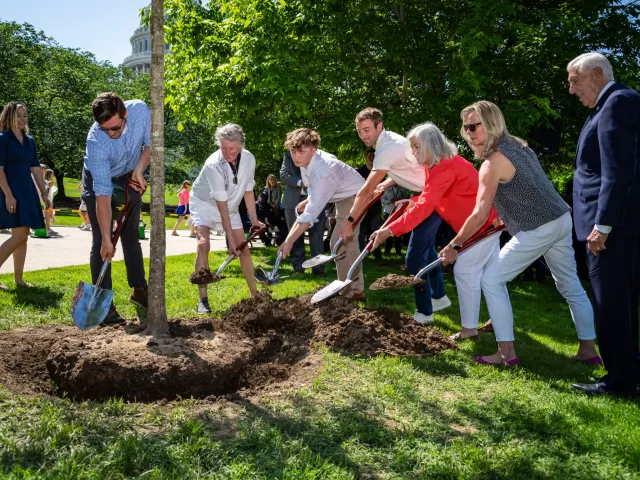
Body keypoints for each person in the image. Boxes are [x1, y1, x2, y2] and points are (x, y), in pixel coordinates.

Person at [439, 100, 599, 365]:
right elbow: (527, 189)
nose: (468, 133)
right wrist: (503, 215)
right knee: (569, 284)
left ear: (490, 124)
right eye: (464, 128)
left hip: (540, 228)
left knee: (491, 279)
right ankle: (588, 351)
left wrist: (454, 245)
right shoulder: (520, 147)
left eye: (473, 127)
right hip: (560, 219)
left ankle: (506, 353)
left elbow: (479, 214)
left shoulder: (492, 163)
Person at [371, 122, 500, 336]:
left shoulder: (445, 168)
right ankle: (493, 320)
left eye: (416, 147)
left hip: (480, 226)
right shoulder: (438, 165)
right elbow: (432, 196)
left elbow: (425, 208)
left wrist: (388, 231)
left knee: (467, 273)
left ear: (430, 145)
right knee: (491, 278)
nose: (412, 152)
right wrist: (413, 200)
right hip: (478, 225)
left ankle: (469, 330)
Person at [567, 53, 640, 396]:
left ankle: (619, 381)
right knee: (620, 304)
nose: (571, 90)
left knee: (611, 304)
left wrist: (604, 225)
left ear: (596, 74)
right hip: (616, 226)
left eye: (574, 80)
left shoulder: (617, 102)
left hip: (611, 229)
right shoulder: (612, 104)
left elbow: (617, 171)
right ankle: (628, 374)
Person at [342, 107, 450, 324]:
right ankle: (439, 296)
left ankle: (425, 312)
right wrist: (389, 181)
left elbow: (365, 190)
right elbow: (408, 167)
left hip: (434, 197)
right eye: (359, 131)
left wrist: (349, 220)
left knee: (415, 257)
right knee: (426, 250)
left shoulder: (386, 149)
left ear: (379, 126)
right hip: (428, 193)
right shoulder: (390, 141)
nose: (363, 135)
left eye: (366, 130)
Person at [81, 92, 150, 325]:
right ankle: (104, 305)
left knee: (131, 236)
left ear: (125, 114)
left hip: (128, 175)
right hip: (99, 180)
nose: (112, 134)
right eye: (106, 129)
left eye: (116, 127)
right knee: (102, 239)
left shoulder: (141, 111)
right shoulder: (96, 142)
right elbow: (102, 196)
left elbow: (150, 146)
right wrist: (107, 241)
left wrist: (139, 170)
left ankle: (140, 291)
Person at [278, 128, 366, 300]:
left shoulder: (325, 170)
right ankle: (353, 290)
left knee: (341, 241)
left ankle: (351, 291)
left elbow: (309, 216)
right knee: (345, 242)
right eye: (293, 151)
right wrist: (310, 198)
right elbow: (315, 188)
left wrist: (288, 241)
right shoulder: (305, 162)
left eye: (300, 151)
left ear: (313, 149)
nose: (296, 156)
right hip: (342, 196)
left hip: (357, 196)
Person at [189, 123, 265, 314]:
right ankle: (203, 300)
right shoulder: (213, 164)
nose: (227, 152)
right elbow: (221, 208)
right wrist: (229, 239)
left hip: (229, 206)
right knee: (203, 244)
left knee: (244, 249)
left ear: (241, 145)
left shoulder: (249, 159)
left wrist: (254, 219)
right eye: (223, 148)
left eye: (232, 148)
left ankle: (254, 296)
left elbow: (248, 191)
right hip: (204, 203)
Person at [0, 101, 51, 289]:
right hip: (10, 191)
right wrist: (8, 194)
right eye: (19, 115)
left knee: (23, 235)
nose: (23, 119)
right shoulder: (3, 139)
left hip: (27, 191)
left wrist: (44, 193)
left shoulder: (29, 140)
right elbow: (0, 170)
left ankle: (19, 280)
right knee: (19, 236)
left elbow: (36, 170)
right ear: (10, 117)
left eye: (25, 115)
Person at [280, 150, 326, 274]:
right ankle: (299, 268)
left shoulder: (317, 155)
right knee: (294, 235)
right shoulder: (288, 155)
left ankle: (318, 269)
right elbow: (283, 175)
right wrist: (301, 183)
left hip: (316, 199)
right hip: (292, 201)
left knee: (317, 235)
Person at [356, 148, 383, 260]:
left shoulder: (379, 172)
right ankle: (362, 256)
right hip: (362, 206)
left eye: (374, 156)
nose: (371, 158)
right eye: (369, 156)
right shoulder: (358, 172)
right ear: (365, 157)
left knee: (376, 230)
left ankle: (377, 255)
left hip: (375, 206)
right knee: (361, 231)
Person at [381, 184, 411, 255]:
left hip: (399, 212)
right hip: (388, 212)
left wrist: (399, 201)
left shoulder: (403, 188)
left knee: (398, 232)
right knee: (387, 230)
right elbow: (382, 200)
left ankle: (398, 250)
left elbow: (407, 199)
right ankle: (387, 250)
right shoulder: (387, 188)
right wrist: (389, 202)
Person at [43, 169, 58, 236]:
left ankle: (48, 227)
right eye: (52, 174)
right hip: (47, 199)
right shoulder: (46, 182)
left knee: (48, 215)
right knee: (47, 214)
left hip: (49, 198)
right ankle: (47, 228)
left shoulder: (48, 181)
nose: (53, 175)